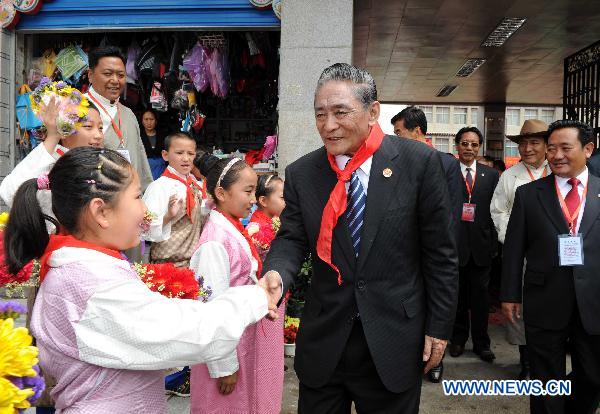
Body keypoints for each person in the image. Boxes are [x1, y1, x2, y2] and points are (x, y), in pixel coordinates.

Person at [2, 147, 275, 412]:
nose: (145, 209)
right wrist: (257, 297)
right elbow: (188, 331)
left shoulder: (83, 269)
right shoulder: (90, 283)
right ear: (101, 212)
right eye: (137, 197)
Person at [262, 63, 458, 413]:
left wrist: (439, 328)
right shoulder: (303, 173)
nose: (328, 125)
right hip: (326, 341)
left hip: (393, 338)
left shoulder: (420, 164)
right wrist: (276, 273)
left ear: (373, 111)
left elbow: (440, 256)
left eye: (340, 112)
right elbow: (292, 239)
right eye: (320, 114)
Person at [501, 120, 600, 414]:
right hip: (544, 297)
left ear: (588, 149)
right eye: (552, 148)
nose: (556, 155)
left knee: (593, 376)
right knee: (545, 380)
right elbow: (514, 248)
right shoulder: (530, 195)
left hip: (594, 300)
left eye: (565, 148)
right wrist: (509, 294)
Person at [189, 156, 283, 414]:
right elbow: (211, 307)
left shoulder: (229, 228)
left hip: (239, 342)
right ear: (221, 192)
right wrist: (224, 366)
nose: (253, 199)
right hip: (227, 351)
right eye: (248, 191)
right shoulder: (214, 242)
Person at [391, 105, 462, 382]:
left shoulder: (445, 163)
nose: (395, 138)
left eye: (399, 132)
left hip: (434, 250)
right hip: (406, 252)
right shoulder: (395, 162)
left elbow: (452, 212)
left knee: (436, 304)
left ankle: (436, 360)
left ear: (417, 131)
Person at [491, 119, 550, 380]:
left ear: (547, 145)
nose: (527, 149)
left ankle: (548, 360)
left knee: (552, 306)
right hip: (522, 255)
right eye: (523, 143)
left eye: (534, 142)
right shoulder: (510, 176)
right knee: (520, 308)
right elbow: (498, 210)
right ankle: (526, 363)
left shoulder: (558, 170)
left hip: (555, 254)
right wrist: (514, 240)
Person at [449, 126, 500, 363]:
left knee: (481, 300)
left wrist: (492, 243)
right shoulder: (446, 172)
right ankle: (458, 340)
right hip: (454, 248)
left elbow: (495, 211)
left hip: (481, 249)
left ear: (480, 147)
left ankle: (482, 343)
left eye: (474, 144)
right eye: (465, 143)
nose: (469, 148)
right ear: (457, 146)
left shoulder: (490, 175)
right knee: (457, 298)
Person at [85, 45, 153, 190]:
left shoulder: (129, 114)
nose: (115, 81)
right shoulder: (74, 109)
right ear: (90, 75)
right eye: (108, 74)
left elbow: (139, 159)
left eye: (121, 75)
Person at [142, 132, 207, 267]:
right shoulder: (159, 187)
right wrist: (167, 216)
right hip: (168, 264)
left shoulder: (194, 183)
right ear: (165, 155)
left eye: (190, 154)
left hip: (193, 262)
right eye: (179, 153)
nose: (186, 158)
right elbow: (144, 228)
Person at [140, 109, 167, 180]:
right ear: (142, 121)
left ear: (156, 121)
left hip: (161, 170)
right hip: (144, 170)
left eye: (151, 119)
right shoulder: (138, 136)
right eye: (146, 119)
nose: (149, 122)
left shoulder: (162, 135)